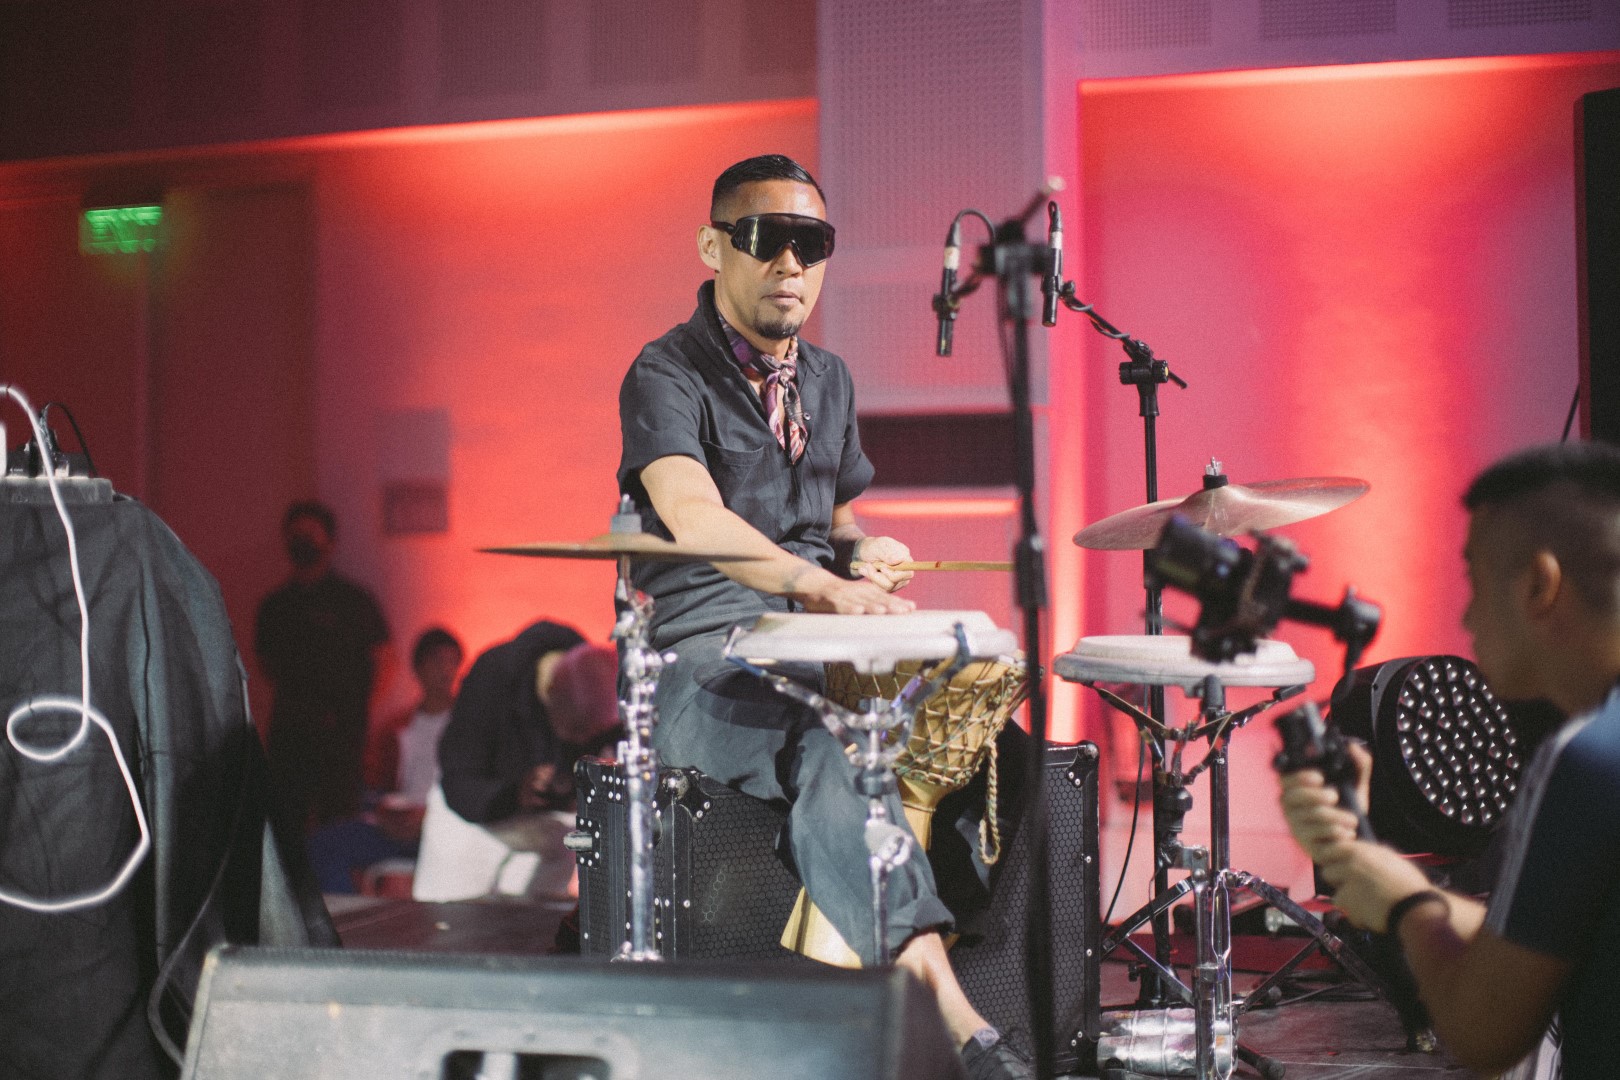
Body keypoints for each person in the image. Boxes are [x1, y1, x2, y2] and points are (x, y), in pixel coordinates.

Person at [616, 153, 1030, 1079]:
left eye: (812, 243)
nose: (791, 264)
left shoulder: (830, 381)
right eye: (767, 239)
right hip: (704, 659)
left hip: (815, 646)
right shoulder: (665, 372)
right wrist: (822, 586)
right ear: (713, 247)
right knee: (834, 748)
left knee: (1013, 751)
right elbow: (693, 516)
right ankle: (946, 1016)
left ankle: (937, 980)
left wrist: (864, 551)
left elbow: (837, 525)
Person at [1279, 441, 1620, 1078]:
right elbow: (1533, 949)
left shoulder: (1586, 762)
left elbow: (1484, 1034)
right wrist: (1370, 864)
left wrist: (1405, 903)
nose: (1465, 617)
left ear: (1540, 585)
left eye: (1476, 583)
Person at [255, 499, 395, 830]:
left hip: (342, 735)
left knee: (340, 823)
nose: (302, 542)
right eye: (296, 535)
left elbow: (385, 659)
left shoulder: (354, 600)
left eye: (311, 535)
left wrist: (361, 711)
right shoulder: (275, 606)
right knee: (286, 823)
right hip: (290, 733)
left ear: (329, 542)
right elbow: (265, 664)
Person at [306, 626, 464, 894]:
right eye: (438, 661)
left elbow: (475, 789)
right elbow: (372, 786)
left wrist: (431, 817)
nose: (446, 671)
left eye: (453, 662)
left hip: (444, 827)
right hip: (396, 826)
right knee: (321, 845)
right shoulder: (395, 728)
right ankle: (347, 915)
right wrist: (385, 813)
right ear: (419, 668)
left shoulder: (467, 727)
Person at [436, 621, 621, 831]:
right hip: (483, 832)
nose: (584, 740)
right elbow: (458, 781)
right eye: (578, 729)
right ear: (550, 694)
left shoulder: (598, 683)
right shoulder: (492, 680)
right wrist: (514, 795)